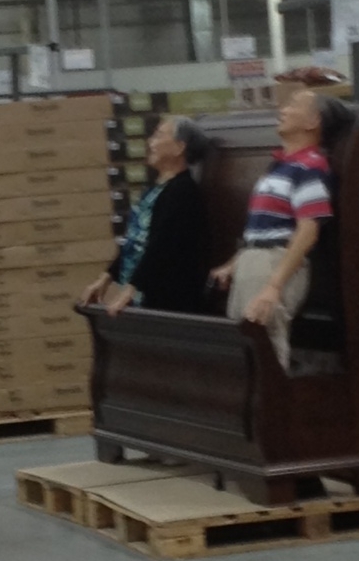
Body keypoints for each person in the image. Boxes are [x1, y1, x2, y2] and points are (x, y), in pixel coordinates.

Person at [211, 90, 344, 372]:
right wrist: (234, 264)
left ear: (313, 122)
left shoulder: (310, 167)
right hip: (256, 262)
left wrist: (273, 287)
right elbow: (264, 229)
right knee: (244, 349)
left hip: (275, 264)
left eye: (293, 104)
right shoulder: (279, 167)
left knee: (265, 351)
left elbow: (308, 232)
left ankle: (271, 414)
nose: (282, 109)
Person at [80, 116, 209, 316]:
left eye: (158, 135)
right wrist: (106, 277)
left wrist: (133, 288)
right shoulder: (154, 189)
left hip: (167, 300)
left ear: (178, 148)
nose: (150, 142)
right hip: (143, 290)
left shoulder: (183, 192)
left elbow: (162, 246)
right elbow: (134, 240)